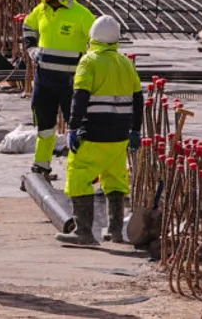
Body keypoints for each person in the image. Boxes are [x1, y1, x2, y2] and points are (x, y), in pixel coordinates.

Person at [60, 14, 144, 247]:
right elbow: (138, 100)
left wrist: (73, 127)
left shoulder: (89, 61)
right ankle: (115, 231)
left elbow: (80, 97)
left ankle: (84, 232)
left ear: (93, 37)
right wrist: (135, 130)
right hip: (119, 136)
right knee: (115, 179)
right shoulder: (126, 62)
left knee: (79, 175)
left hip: (94, 132)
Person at [21, 0, 96, 180]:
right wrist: (31, 48)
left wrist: (88, 65)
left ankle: (82, 171)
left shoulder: (81, 15)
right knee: (44, 127)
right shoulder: (40, 11)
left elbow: (97, 40)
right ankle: (41, 167)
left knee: (78, 127)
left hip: (71, 83)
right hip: (44, 81)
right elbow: (27, 26)